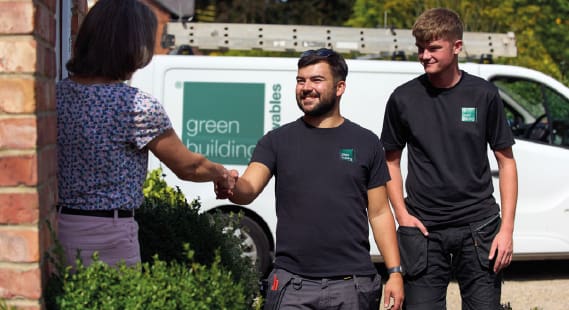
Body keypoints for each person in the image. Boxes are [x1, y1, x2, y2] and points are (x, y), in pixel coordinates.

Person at [56, 0, 235, 268]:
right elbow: (188, 167)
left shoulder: (55, 94)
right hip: (110, 236)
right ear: (133, 45)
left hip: (58, 229)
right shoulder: (136, 106)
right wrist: (221, 174)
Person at [220, 48, 404, 310]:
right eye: (300, 80)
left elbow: (379, 213)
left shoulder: (366, 142)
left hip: (352, 285)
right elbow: (247, 189)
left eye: (316, 80)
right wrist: (230, 184)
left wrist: (395, 272)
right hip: (292, 285)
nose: (305, 88)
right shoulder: (276, 141)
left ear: (340, 87)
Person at [380, 8, 518, 310]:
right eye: (420, 48)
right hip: (424, 232)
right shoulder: (403, 98)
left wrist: (506, 230)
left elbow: (506, 162)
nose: (424, 55)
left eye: (433, 48)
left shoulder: (484, 95)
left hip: (479, 228)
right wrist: (402, 216)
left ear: (456, 47)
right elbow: (390, 161)